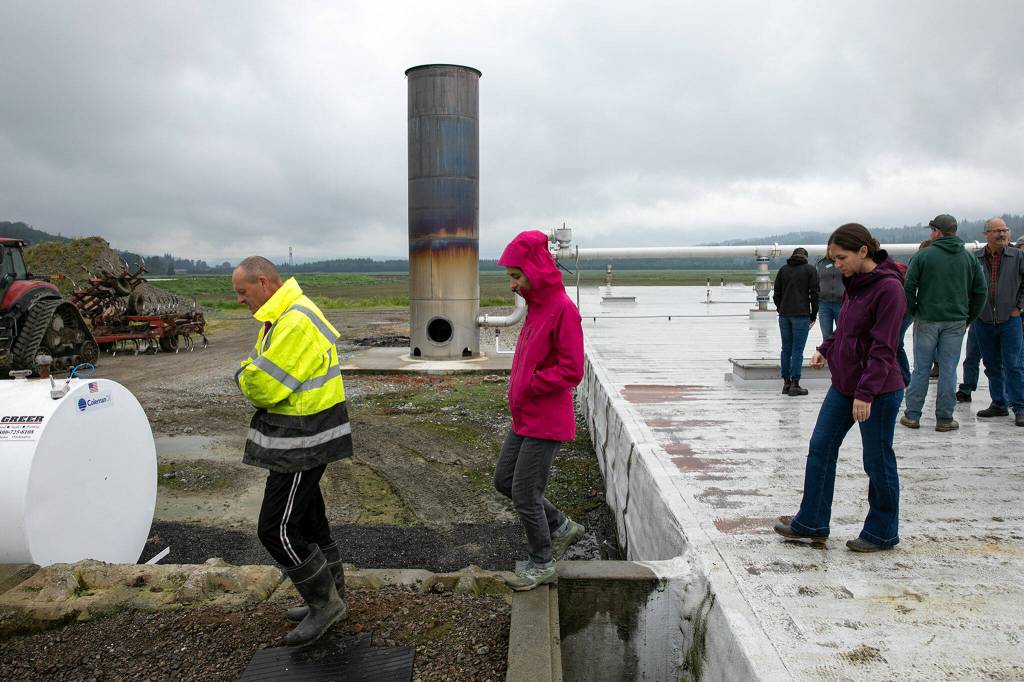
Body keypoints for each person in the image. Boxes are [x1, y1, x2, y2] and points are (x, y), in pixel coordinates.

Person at [232, 257, 352, 646]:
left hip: (302, 439)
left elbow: (263, 384)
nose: (239, 300)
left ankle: (325, 605)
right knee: (309, 522)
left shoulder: (295, 320)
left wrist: (242, 375)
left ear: (264, 282)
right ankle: (332, 598)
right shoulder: (282, 316)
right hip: (303, 436)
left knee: (276, 529)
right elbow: (263, 369)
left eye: (242, 292)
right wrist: (252, 369)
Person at [774, 223, 906, 552]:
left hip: (878, 391)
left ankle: (882, 532)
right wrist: (828, 346)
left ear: (864, 251)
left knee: (877, 460)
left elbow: (883, 348)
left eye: (841, 257)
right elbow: (847, 326)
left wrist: (866, 394)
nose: (836, 265)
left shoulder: (889, 289)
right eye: (832, 259)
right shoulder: (855, 282)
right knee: (820, 448)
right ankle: (812, 522)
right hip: (844, 384)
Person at [493, 230, 585, 591]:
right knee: (504, 481)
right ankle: (561, 526)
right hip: (525, 416)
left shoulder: (562, 309)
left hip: (546, 419)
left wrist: (531, 382)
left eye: (516, 276)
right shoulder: (537, 308)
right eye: (510, 278)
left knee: (525, 493)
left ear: (534, 269)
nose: (513, 285)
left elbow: (572, 369)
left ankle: (541, 561)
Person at [900, 214, 987, 431]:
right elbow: (980, 291)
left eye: (932, 230)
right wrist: (969, 317)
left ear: (937, 232)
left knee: (921, 368)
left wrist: (914, 311)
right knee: (949, 369)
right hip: (956, 320)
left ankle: (912, 415)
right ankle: (945, 419)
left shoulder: (924, 256)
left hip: (927, 318)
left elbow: (908, 288)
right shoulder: (969, 258)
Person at [970, 218, 1024, 427]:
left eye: (1005, 230)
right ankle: (999, 403)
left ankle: (1020, 407)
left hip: (1010, 320)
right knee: (991, 364)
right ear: (986, 234)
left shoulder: (1018, 257)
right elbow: (969, 287)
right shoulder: (975, 258)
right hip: (983, 320)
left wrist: (1017, 308)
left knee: (1014, 365)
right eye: (996, 231)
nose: (1002, 235)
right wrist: (973, 312)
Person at [773, 247, 820, 396]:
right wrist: (813, 314)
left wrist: (781, 309)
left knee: (786, 349)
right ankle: (795, 384)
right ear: (805, 257)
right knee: (797, 350)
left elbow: (776, 294)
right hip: (801, 315)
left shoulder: (783, 270)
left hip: (784, 315)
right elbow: (815, 294)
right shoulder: (810, 270)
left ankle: (786, 383)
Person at [816, 253, 844, 340]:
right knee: (826, 335)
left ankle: (840, 353)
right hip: (824, 304)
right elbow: (816, 281)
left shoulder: (844, 262)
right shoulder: (821, 264)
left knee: (842, 333)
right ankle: (827, 353)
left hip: (841, 303)